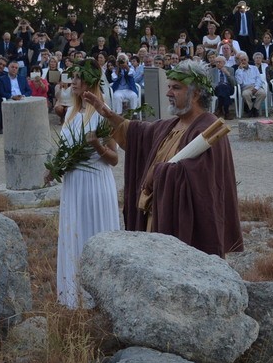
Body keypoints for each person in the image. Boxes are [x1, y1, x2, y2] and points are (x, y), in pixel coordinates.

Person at [83, 58, 244, 257]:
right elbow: (137, 134)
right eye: (169, 87)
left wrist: (158, 173)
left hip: (187, 230)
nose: (168, 93)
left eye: (176, 88)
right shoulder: (170, 125)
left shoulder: (208, 130)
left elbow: (205, 184)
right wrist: (108, 114)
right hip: (157, 219)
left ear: (195, 94)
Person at [52, 59, 121, 308]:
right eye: (72, 77)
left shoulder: (103, 113)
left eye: (78, 78)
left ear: (90, 82)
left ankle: (100, 296)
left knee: (95, 233)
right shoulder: (70, 112)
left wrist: (98, 146)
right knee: (74, 233)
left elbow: (114, 159)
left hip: (95, 184)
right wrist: (55, 168)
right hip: (73, 185)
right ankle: (74, 295)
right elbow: (65, 150)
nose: (73, 82)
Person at [234, 52, 266, 117]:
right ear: (239, 61)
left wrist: (256, 87)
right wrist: (240, 70)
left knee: (263, 93)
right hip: (246, 88)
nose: (243, 61)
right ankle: (251, 109)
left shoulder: (254, 68)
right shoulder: (238, 71)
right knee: (245, 94)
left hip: (255, 86)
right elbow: (239, 82)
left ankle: (255, 108)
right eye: (241, 60)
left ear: (247, 60)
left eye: (244, 60)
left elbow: (259, 79)